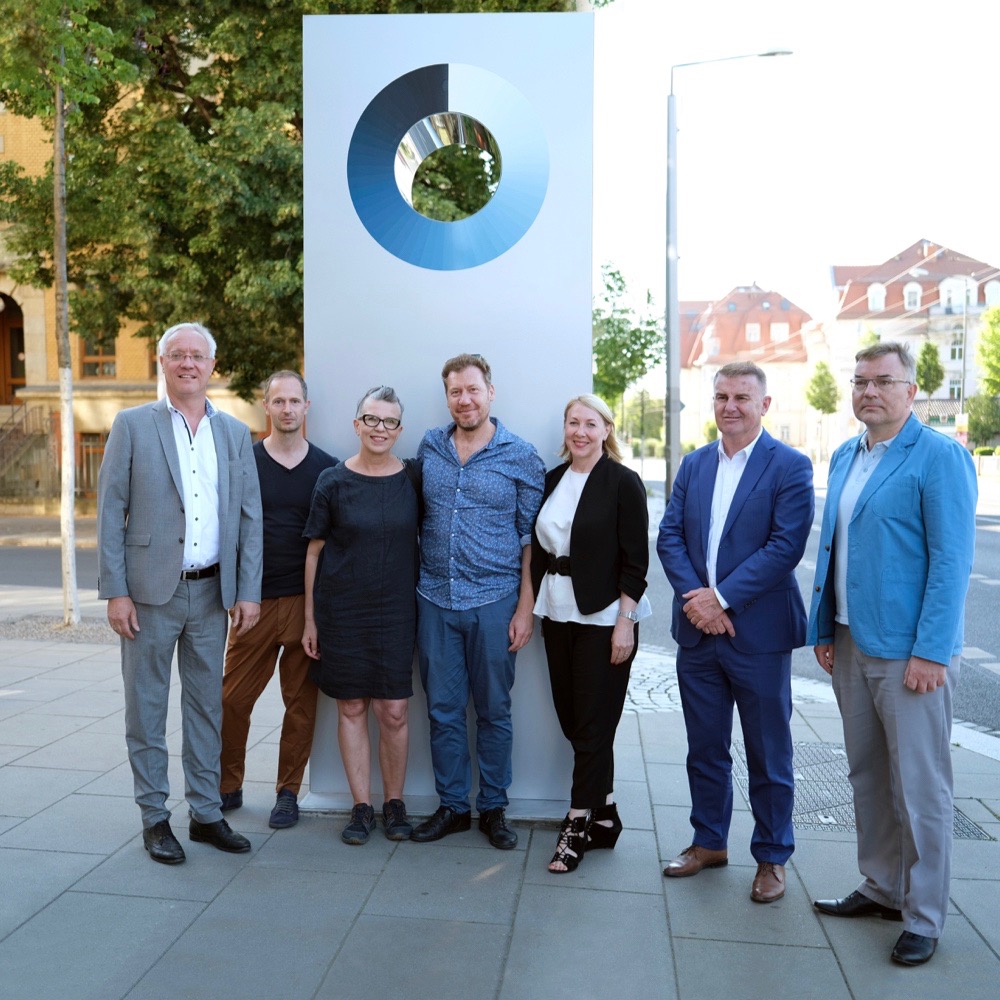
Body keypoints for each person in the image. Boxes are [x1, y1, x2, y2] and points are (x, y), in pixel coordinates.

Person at [808, 341, 977, 967]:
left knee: (920, 788)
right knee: (868, 775)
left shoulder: (940, 457)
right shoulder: (846, 455)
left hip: (912, 653)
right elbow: (834, 549)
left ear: (911, 391)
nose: (868, 392)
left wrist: (932, 651)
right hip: (851, 640)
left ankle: (925, 914)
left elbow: (952, 562)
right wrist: (825, 627)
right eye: (859, 381)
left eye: (883, 381)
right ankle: (882, 886)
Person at [97, 321, 262, 865]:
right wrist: (115, 591)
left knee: (205, 708)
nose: (187, 364)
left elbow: (248, 519)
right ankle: (153, 817)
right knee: (145, 708)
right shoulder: (132, 425)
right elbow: (109, 513)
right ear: (162, 364)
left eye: (197, 356)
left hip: (213, 593)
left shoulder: (236, 433)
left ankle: (206, 813)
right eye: (177, 355)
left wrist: (248, 591)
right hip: (147, 595)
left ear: (212, 366)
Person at [657, 361, 813, 903]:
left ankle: (772, 857)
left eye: (742, 397)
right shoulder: (694, 464)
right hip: (699, 635)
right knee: (705, 748)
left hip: (759, 636)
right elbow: (670, 536)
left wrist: (719, 598)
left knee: (769, 752)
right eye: (722, 395)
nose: (730, 406)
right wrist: (698, 603)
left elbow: (784, 547)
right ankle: (709, 842)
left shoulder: (790, 466)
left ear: (764, 404)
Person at [410, 353, 545, 849]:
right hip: (434, 598)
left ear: (490, 391)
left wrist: (524, 606)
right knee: (443, 710)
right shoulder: (431, 446)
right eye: (454, 392)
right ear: (447, 397)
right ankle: (451, 807)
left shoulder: (520, 455)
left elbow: (531, 539)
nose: (464, 399)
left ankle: (493, 808)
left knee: (493, 710)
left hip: (495, 599)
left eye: (472, 389)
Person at [529, 394, 650, 873]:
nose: (580, 431)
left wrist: (626, 623)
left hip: (604, 619)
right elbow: (539, 550)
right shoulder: (552, 480)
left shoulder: (623, 482)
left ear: (606, 429)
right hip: (556, 614)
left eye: (590, 424)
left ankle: (577, 824)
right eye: (573, 423)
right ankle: (607, 816)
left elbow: (636, 563)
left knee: (595, 724)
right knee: (574, 719)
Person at [218, 371, 337, 830]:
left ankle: (288, 793)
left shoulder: (328, 468)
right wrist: (232, 593)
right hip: (255, 602)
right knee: (232, 700)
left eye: (295, 401)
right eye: (278, 401)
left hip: (308, 604)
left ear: (307, 408)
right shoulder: (244, 463)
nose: (287, 409)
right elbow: (229, 531)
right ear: (266, 407)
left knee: (301, 705)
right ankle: (228, 784)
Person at [302, 386, 420, 845]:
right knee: (350, 706)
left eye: (389, 422)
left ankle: (394, 804)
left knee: (392, 711)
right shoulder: (332, 481)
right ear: (357, 424)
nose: (379, 429)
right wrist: (310, 619)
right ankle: (361, 807)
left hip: (396, 611)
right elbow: (313, 553)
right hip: (341, 611)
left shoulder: (413, 479)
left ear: (399, 430)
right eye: (371, 419)